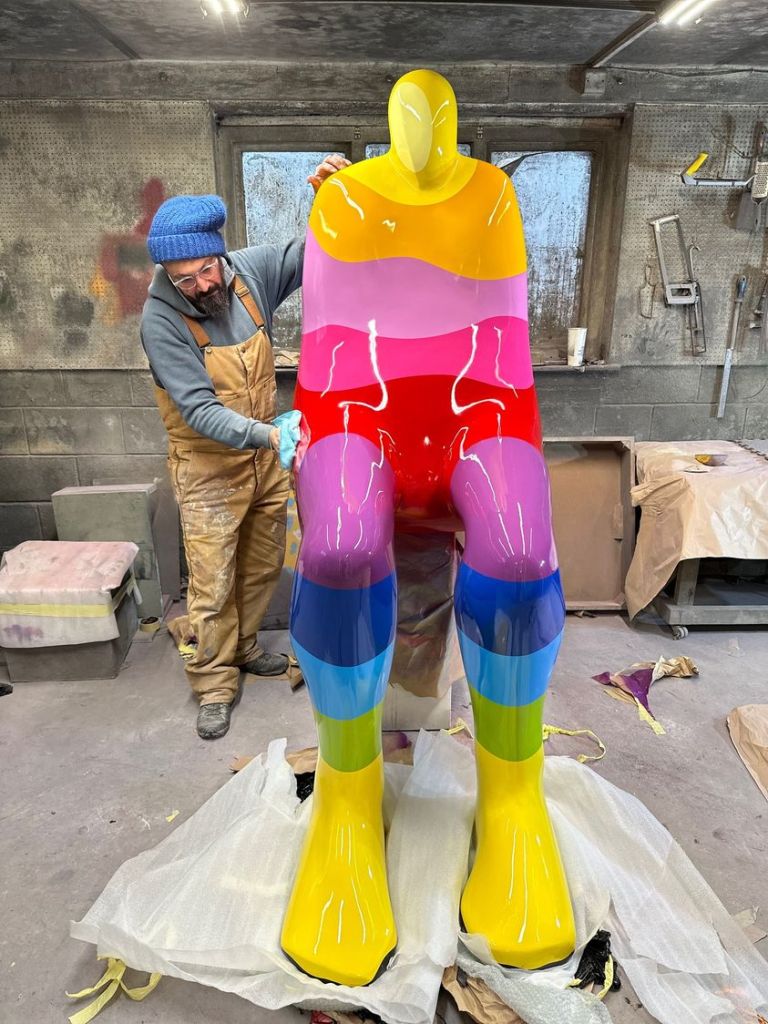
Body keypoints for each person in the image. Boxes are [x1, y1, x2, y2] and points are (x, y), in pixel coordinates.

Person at [140, 154, 350, 740]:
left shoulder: (248, 275)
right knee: (211, 584)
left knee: (260, 566)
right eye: (185, 279)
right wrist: (270, 434)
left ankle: (245, 647)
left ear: (220, 254)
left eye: (206, 269)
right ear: (167, 275)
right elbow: (200, 410)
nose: (202, 285)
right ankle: (213, 681)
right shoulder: (161, 321)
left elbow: (312, 253)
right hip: (209, 470)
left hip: (263, 461)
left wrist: (331, 202)